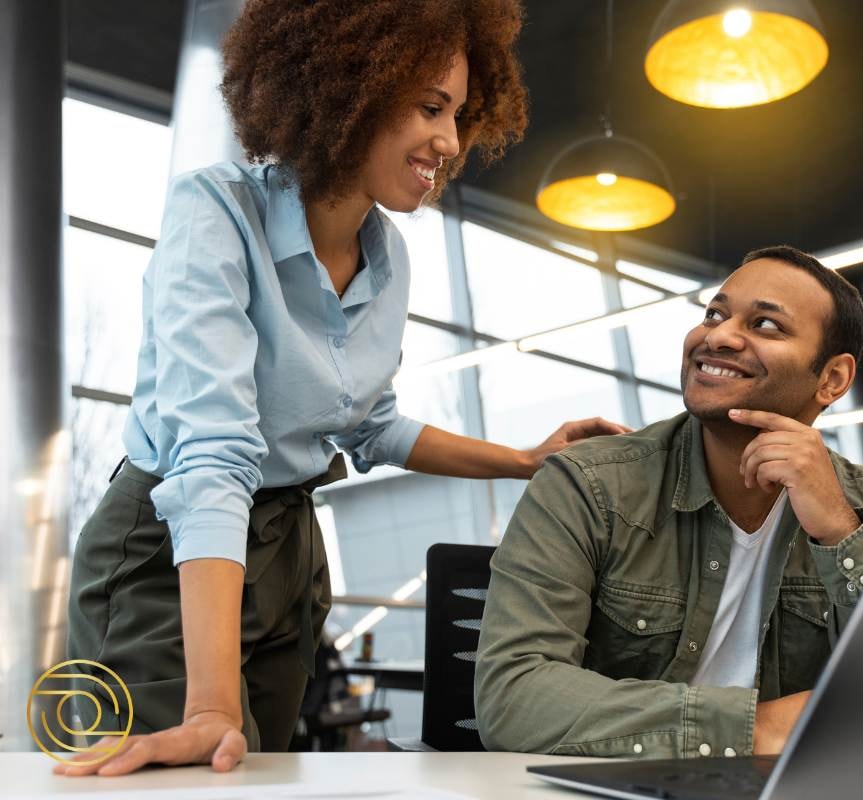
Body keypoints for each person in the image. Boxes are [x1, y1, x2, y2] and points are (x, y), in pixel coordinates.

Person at [59, 0, 627, 778]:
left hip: (289, 549)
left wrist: (525, 460)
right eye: (431, 107)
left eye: (459, 114)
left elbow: (371, 424)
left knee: (257, 776)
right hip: (172, 552)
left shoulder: (386, 255)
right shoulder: (217, 210)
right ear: (348, 85)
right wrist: (212, 705)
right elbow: (215, 458)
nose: (450, 141)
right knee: (187, 773)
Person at [475, 246, 863, 759]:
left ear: (831, 379)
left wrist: (838, 528)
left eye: (766, 324)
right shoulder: (589, 484)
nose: (717, 335)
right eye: (715, 314)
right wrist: (751, 729)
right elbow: (513, 697)